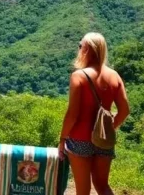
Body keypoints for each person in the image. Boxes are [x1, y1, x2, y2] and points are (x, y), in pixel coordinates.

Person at [58, 33, 130, 195]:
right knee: (102, 186)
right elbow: (125, 111)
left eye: (80, 45)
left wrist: (62, 139)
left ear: (87, 49)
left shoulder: (79, 76)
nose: (79, 49)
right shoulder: (114, 76)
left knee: (83, 190)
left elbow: (73, 114)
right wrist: (109, 129)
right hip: (104, 140)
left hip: (79, 139)